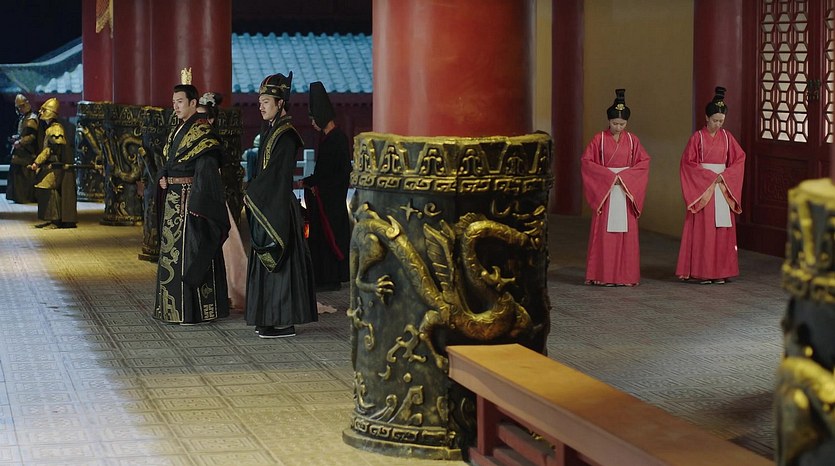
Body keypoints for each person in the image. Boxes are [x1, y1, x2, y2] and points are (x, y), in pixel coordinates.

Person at [153, 72, 230, 325]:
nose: (175, 106)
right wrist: (163, 176)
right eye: (173, 102)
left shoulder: (202, 133)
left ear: (193, 103)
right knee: (172, 255)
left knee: (191, 252)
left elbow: (207, 171)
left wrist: (199, 205)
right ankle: (171, 309)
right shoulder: (176, 131)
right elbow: (169, 163)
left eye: (180, 102)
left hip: (191, 203)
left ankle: (193, 312)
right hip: (174, 201)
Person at [245, 72, 317, 338]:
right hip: (269, 203)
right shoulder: (271, 130)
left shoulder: (287, 135)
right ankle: (267, 317)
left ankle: (284, 322)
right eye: (260, 102)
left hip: (277, 207)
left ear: (280, 103)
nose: (261, 107)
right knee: (267, 265)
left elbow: (277, 175)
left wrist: (252, 191)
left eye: (266, 102)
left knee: (281, 264)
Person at [580, 89, 650, 286]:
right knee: (605, 234)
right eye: (615, 123)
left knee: (626, 233)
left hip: (626, 190)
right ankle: (602, 275)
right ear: (609, 121)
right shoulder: (599, 140)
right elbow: (587, 162)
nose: (618, 127)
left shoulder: (633, 140)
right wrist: (610, 178)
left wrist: (624, 178)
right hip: (606, 191)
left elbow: (644, 162)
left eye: (622, 124)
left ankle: (626, 276)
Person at [676, 86, 745, 285]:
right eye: (715, 120)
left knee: (722, 231)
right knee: (704, 232)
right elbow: (688, 163)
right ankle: (702, 272)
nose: (718, 124)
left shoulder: (727, 137)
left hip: (722, 187)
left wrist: (725, 177)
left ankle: (722, 272)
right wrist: (708, 178)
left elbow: (739, 159)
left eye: (721, 121)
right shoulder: (697, 138)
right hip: (704, 190)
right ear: (706, 118)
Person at [197, 91, 248, 312]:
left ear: (211, 119)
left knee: (223, 244)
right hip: (200, 196)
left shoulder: (213, 142)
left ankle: (226, 292)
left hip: (213, 197)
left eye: (203, 117)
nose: (199, 121)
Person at [299, 81, 352, 291]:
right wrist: (310, 182)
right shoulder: (329, 138)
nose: (312, 123)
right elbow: (324, 172)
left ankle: (331, 278)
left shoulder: (337, 139)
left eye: (314, 119)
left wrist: (314, 185)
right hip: (325, 198)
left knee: (329, 237)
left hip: (331, 201)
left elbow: (337, 173)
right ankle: (323, 277)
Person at [29, 98, 77, 229]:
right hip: (52, 166)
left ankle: (55, 220)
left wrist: (37, 162)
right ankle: (51, 219)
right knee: (47, 189)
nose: (41, 113)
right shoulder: (50, 128)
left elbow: (50, 150)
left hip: (56, 167)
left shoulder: (55, 129)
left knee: (49, 189)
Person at [7, 94, 38, 203]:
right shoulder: (23, 118)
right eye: (18, 107)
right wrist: (17, 138)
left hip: (27, 152)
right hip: (20, 152)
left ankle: (25, 197)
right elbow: (23, 133)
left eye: (22, 106)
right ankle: (17, 196)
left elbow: (32, 136)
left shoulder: (32, 119)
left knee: (25, 176)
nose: (20, 109)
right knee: (17, 174)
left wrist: (20, 142)